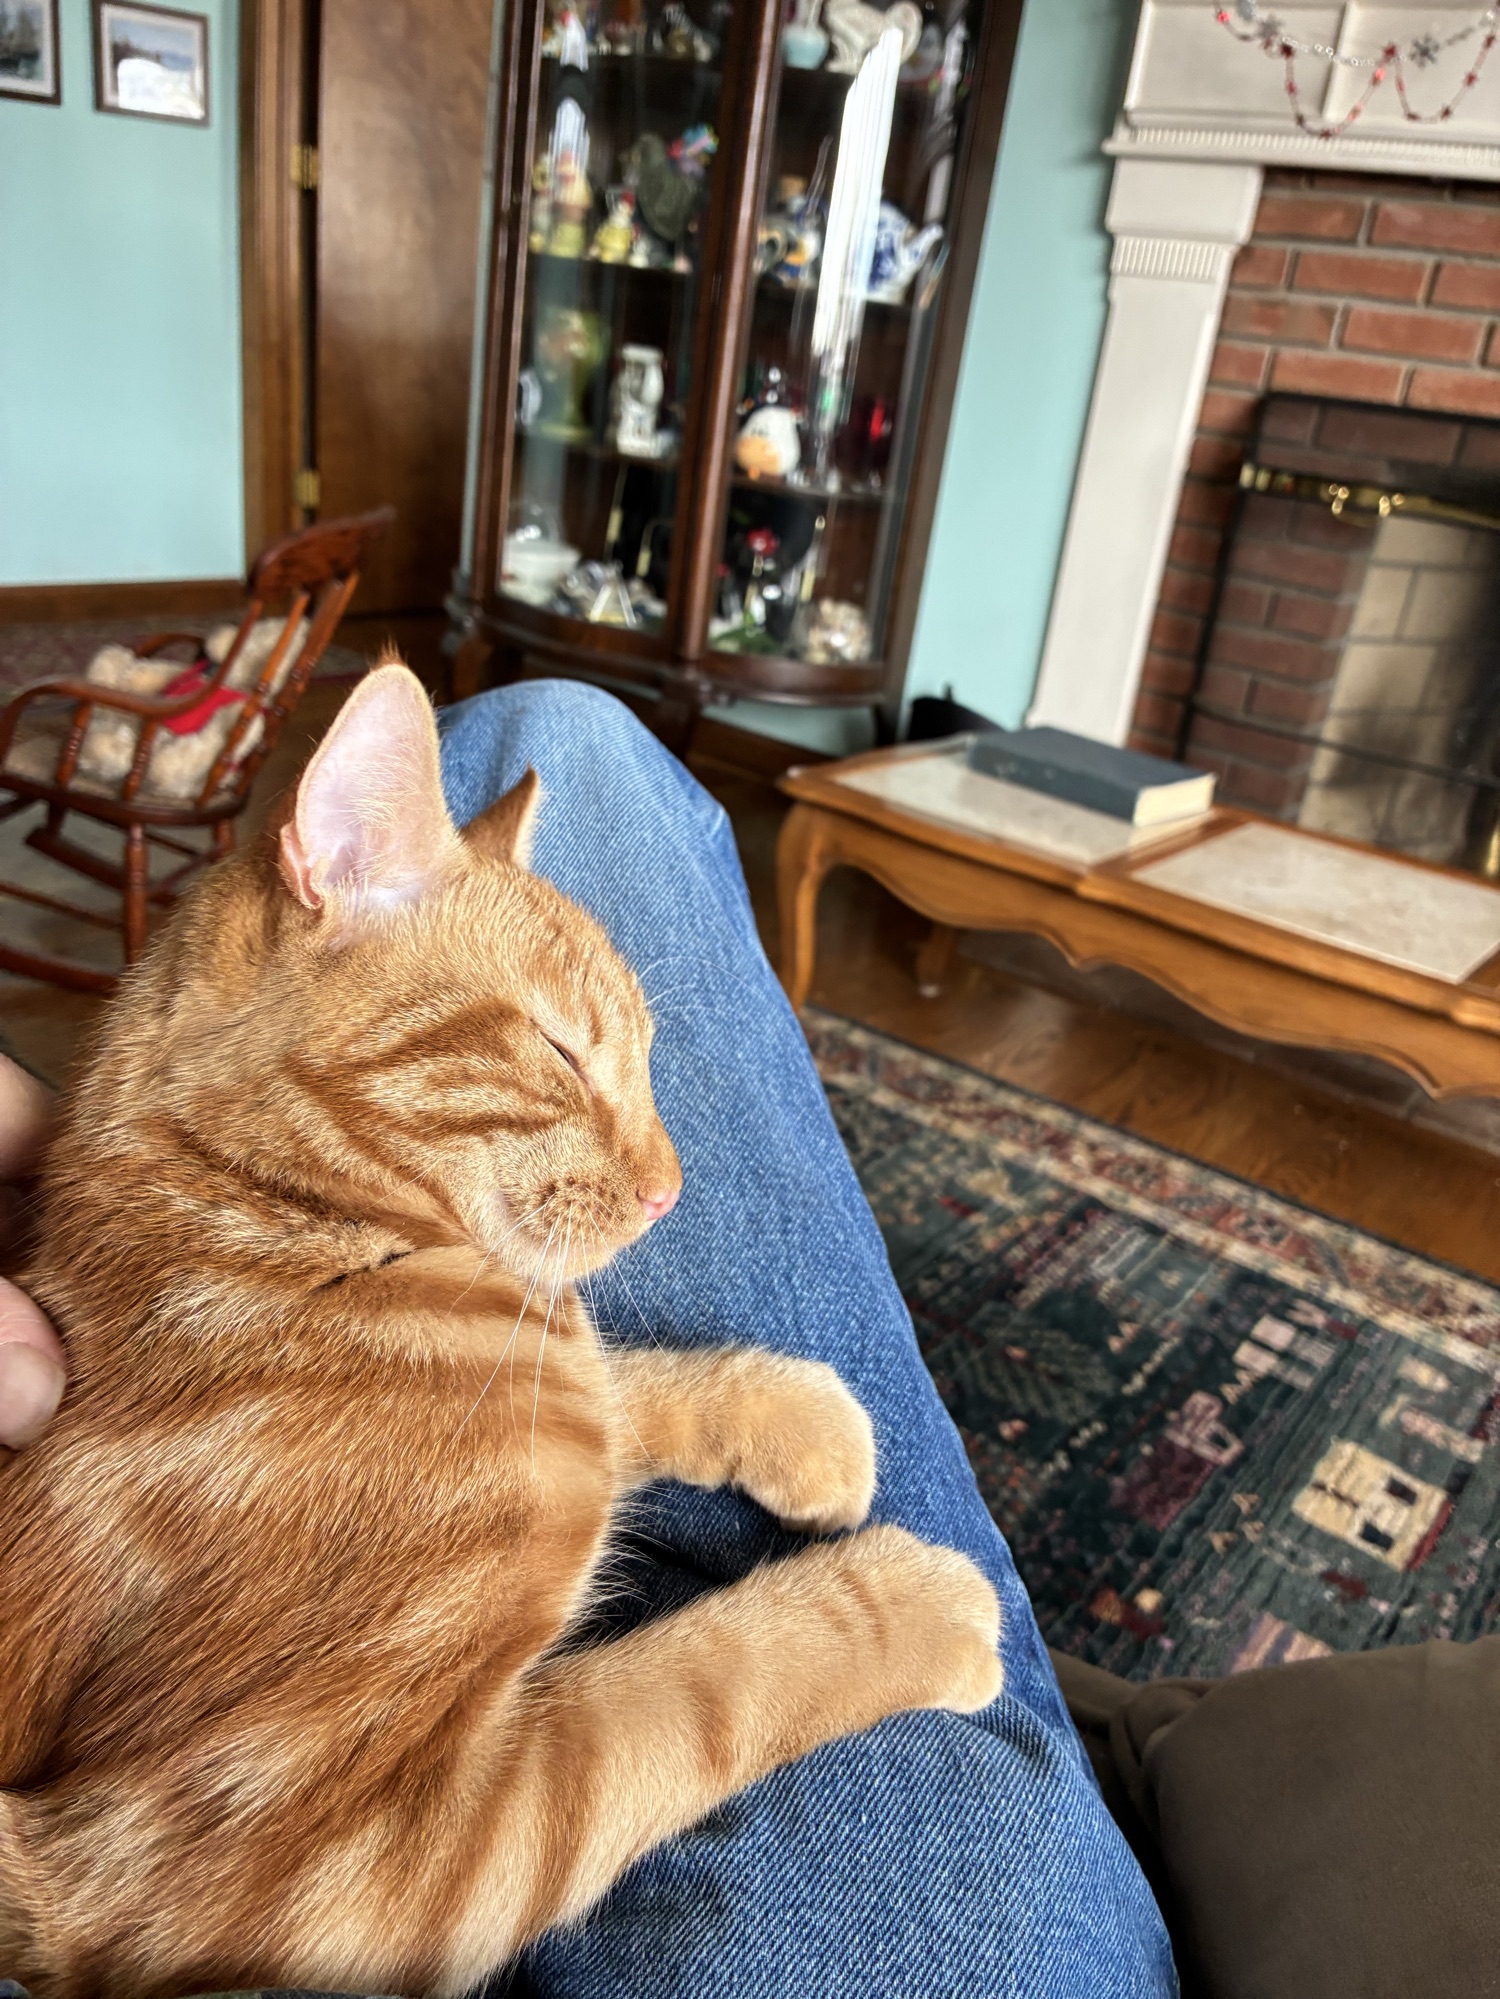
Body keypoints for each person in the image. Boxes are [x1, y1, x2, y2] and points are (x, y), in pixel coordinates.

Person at [0, 680, 1176, 1998]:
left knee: (562, 734)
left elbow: (369, 1461)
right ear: (337, 873)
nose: (660, 1174)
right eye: (568, 1061)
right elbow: (222, 1898)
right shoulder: (217, 1413)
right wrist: (831, 1639)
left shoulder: (232, 1294)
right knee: (570, 724)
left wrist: (682, 1410)